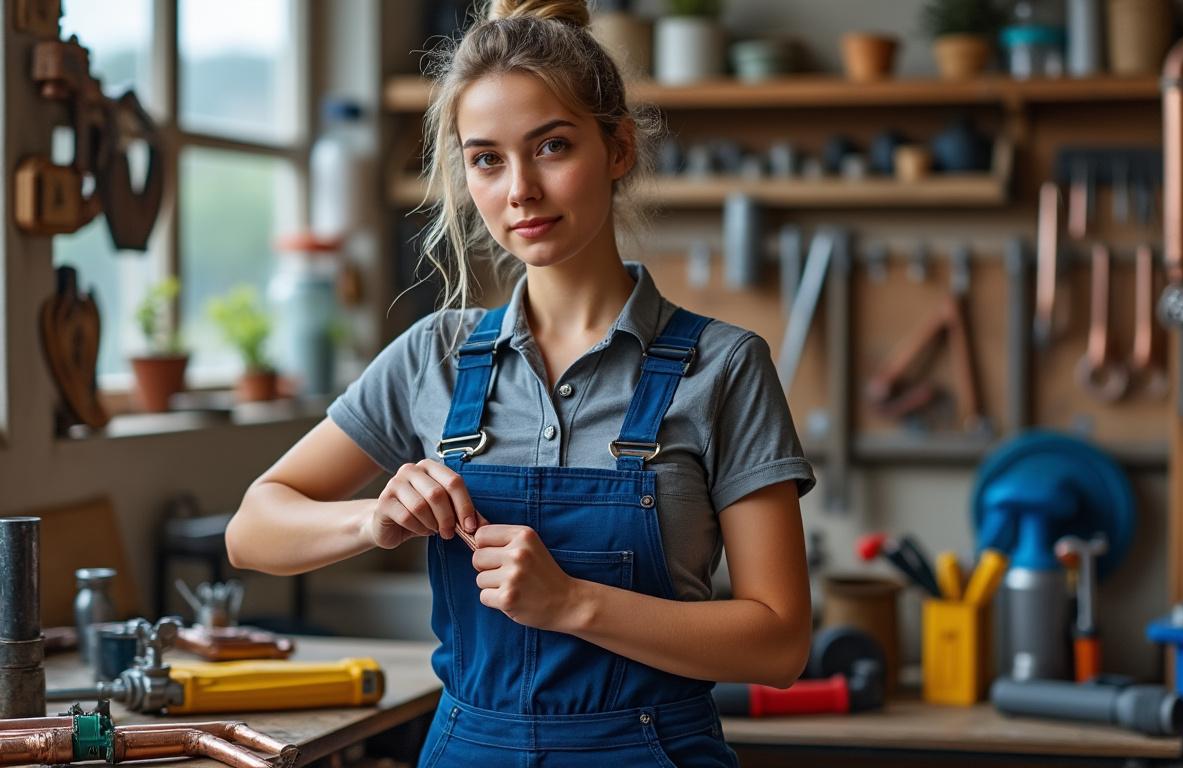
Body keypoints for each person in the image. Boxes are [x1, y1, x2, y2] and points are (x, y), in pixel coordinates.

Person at [225, 1, 815, 764]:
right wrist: (373, 519)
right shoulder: (432, 354)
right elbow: (252, 529)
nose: (520, 191)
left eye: (553, 146)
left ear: (619, 149)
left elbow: (779, 642)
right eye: (487, 159)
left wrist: (572, 603)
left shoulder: (725, 366)